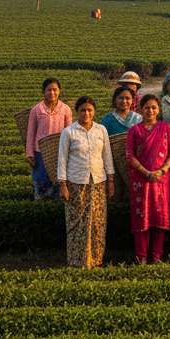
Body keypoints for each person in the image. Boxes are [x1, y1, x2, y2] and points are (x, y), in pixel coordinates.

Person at [56, 96, 115, 268]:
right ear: (77, 111)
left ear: (94, 111)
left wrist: (110, 181)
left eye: (89, 110)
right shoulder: (69, 132)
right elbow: (62, 159)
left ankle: (95, 259)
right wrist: (62, 184)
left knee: (97, 222)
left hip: (98, 182)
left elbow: (107, 156)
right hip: (76, 183)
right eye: (83, 110)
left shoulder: (101, 130)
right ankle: (77, 261)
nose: (86, 113)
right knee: (78, 224)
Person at [125, 94, 170, 263]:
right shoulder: (134, 130)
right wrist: (146, 172)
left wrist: (162, 171)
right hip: (141, 180)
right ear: (140, 109)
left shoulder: (165, 127)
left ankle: (156, 256)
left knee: (159, 218)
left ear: (158, 110)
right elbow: (130, 155)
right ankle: (141, 257)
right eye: (147, 107)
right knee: (142, 218)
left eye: (154, 107)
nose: (150, 110)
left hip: (161, 180)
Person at [25, 77, 72, 201]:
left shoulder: (65, 109)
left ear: (59, 91)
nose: (52, 93)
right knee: (41, 181)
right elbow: (31, 132)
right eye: (49, 90)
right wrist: (30, 153)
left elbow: (69, 132)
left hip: (59, 152)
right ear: (43, 92)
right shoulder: (36, 109)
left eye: (55, 90)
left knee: (58, 181)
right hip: (40, 152)